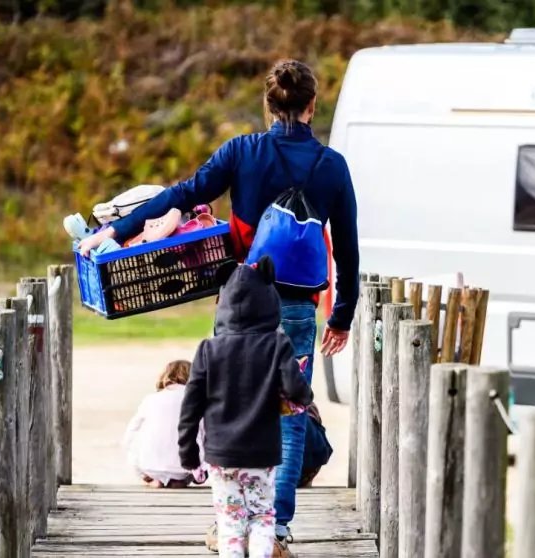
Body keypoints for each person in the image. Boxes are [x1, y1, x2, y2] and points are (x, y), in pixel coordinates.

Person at [78, 58, 359, 552]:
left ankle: (230, 519)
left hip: (238, 302)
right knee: (291, 413)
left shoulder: (243, 152)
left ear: (269, 105)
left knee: (228, 404)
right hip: (295, 307)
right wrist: (342, 314)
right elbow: (350, 246)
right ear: (313, 106)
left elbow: (182, 195)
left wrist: (116, 230)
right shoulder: (332, 167)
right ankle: (275, 526)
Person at [179, 257, 314, 558]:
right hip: (261, 454)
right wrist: (304, 395)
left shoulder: (208, 349)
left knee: (230, 521)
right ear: (269, 301)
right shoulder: (277, 345)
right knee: (262, 516)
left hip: (220, 455)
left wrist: (188, 453)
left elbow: (191, 406)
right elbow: (295, 388)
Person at [122, 359, 200, 488]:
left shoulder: (150, 399)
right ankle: (180, 480)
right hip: (185, 467)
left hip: (150, 465)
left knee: (136, 435)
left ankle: (152, 479)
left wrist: (137, 466)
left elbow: (130, 433)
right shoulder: (196, 401)